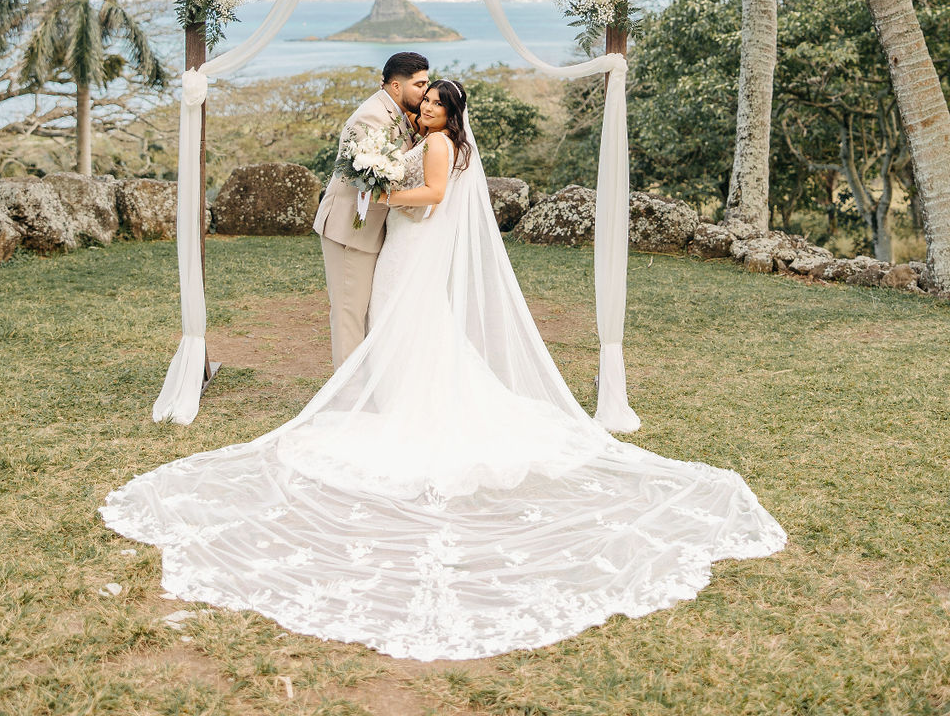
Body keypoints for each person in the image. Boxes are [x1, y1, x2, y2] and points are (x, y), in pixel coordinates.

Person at [101, 80, 785, 661]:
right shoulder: (451, 145)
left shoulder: (436, 147)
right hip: (409, 249)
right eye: (421, 100)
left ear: (448, 115)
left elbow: (428, 198)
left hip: (409, 245)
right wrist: (384, 180)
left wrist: (381, 192)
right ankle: (410, 396)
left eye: (432, 103)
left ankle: (412, 408)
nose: (423, 108)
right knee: (413, 327)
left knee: (406, 321)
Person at [312, 52, 429, 368]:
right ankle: (346, 398)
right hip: (350, 231)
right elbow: (370, 182)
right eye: (419, 84)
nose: (426, 91)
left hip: (372, 231)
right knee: (350, 313)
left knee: (367, 312)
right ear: (395, 86)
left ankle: (363, 386)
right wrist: (423, 202)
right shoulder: (371, 118)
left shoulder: (396, 113)